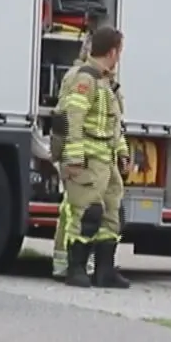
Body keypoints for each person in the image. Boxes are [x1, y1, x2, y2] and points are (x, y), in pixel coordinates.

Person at [54, 25, 130, 289]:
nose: (119, 55)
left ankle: (104, 270)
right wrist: (73, 157)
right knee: (86, 212)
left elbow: (114, 122)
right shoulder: (85, 79)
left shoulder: (105, 81)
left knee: (112, 213)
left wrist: (121, 151)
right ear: (111, 52)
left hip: (106, 162)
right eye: (119, 50)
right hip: (88, 161)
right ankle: (76, 269)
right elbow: (72, 118)